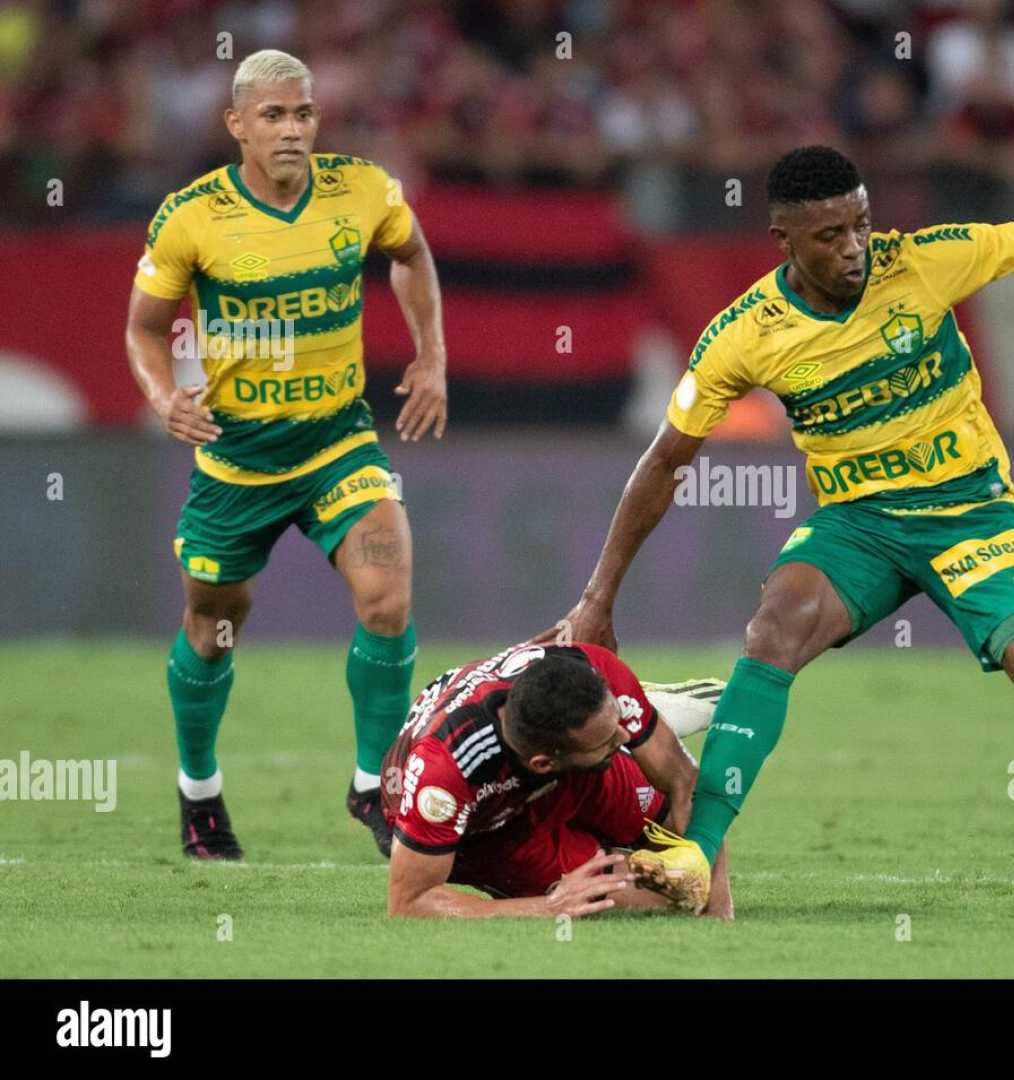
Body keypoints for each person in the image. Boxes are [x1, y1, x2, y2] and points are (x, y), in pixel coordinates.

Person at [541, 144, 1014, 913]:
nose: (855, 247)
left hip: (971, 514)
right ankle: (696, 850)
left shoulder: (925, 260)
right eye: (831, 235)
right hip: (860, 525)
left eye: (861, 224)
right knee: (772, 630)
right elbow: (664, 461)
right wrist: (598, 595)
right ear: (783, 240)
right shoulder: (745, 333)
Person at [124, 49, 448, 860]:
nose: (293, 130)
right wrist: (166, 398)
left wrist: (430, 354)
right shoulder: (192, 216)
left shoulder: (363, 190)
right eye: (273, 115)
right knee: (213, 627)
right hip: (238, 461)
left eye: (303, 113)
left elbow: (410, 256)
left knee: (387, 599)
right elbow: (142, 328)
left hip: (339, 440)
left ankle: (375, 786)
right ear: (236, 124)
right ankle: (199, 793)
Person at [383, 642, 732, 918]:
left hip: (574, 770)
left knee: (682, 838)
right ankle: (641, 717)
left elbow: (685, 782)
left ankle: (638, 711)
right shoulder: (444, 772)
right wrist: (548, 908)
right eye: (609, 738)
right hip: (487, 830)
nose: (625, 740)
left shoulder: (591, 665)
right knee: (639, 895)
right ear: (543, 763)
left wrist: (716, 907)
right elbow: (409, 902)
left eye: (617, 727)